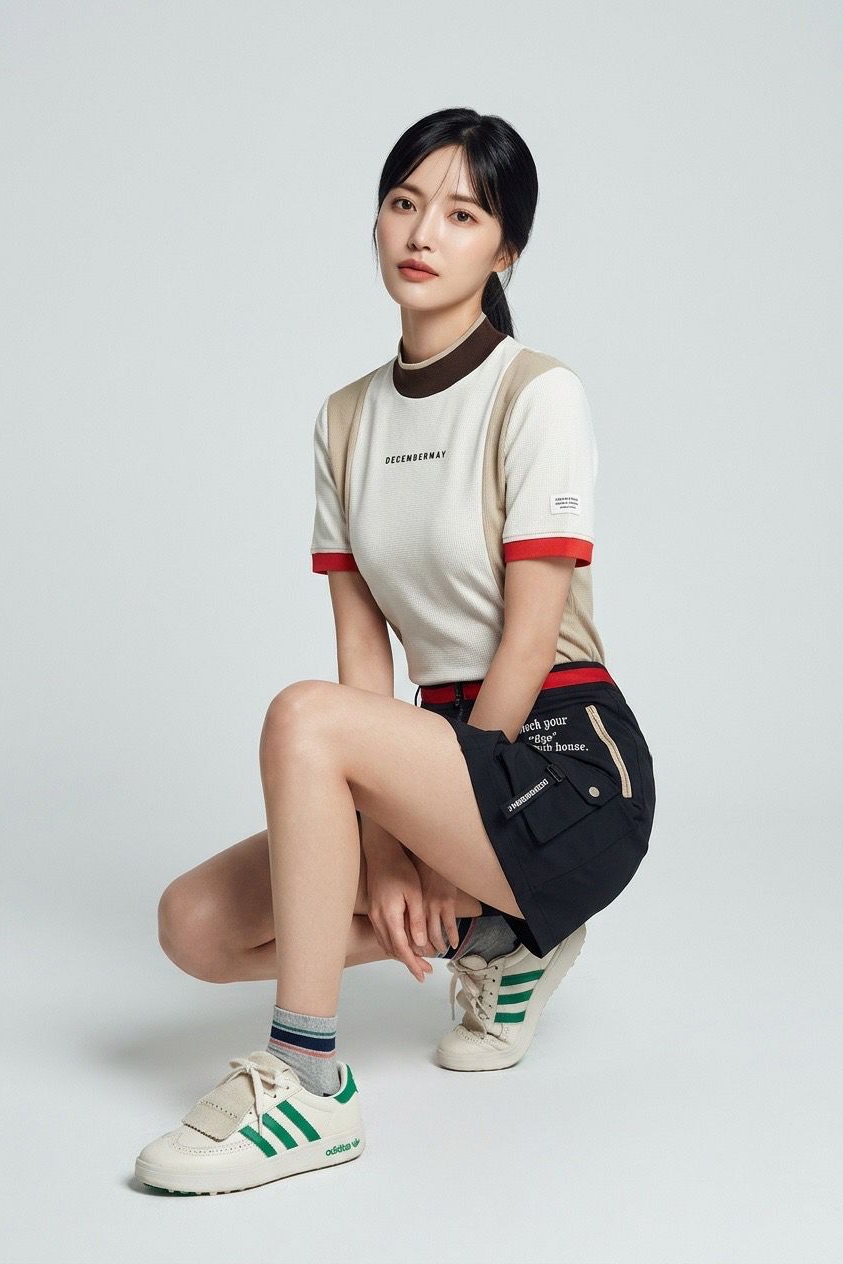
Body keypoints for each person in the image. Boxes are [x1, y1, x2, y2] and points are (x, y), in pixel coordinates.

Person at [134, 106, 656, 1196]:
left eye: (462, 214)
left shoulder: (536, 391)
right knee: (193, 927)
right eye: (405, 203)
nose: (423, 233)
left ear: (505, 250)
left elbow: (527, 640)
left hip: (566, 763)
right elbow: (362, 661)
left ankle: (307, 1085)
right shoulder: (343, 419)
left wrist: (424, 848)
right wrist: (382, 850)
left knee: (301, 718)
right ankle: (505, 935)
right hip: (433, 763)